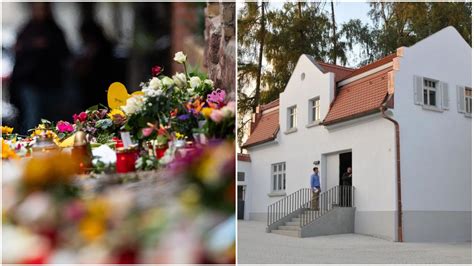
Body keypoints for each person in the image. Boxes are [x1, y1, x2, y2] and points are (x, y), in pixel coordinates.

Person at [9, 2, 70, 133]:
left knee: (52, 120)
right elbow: (18, 51)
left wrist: (47, 46)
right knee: (33, 118)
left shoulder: (55, 30)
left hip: (52, 82)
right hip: (30, 82)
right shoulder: (27, 29)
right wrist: (34, 46)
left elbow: (65, 53)